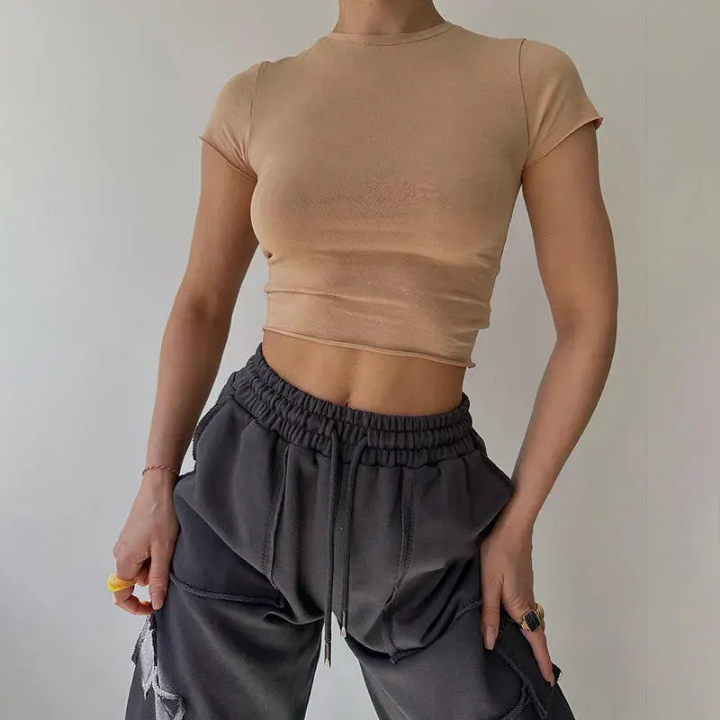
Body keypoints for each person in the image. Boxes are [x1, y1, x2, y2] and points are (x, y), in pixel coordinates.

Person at [111, 2, 616, 718]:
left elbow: (587, 320)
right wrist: (156, 482)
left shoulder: (529, 79)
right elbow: (201, 303)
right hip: (249, 476)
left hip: (430, 497)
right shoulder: (255, 96)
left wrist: (517, 523)